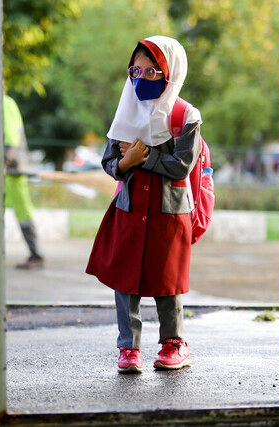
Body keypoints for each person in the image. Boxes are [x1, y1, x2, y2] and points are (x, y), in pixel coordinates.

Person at [86, 36, 202, 373]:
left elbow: (181, 166)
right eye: (135, 70)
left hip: (170, 212)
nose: (141, 78)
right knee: (126, 280)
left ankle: (174, 344)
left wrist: (144, 156)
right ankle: (129, 348)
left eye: (152, 72)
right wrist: (125, 164)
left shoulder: (186, 116)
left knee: (168, 281)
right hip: (130, 207)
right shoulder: (127, 109)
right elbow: (109, 162)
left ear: (170, 74)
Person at [3, 93, 45, 269]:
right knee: (20, 211)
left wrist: (3, 163)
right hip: (13, 168)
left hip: (11, 169)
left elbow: (11, 138)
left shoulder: (2, 103)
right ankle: (35, 254)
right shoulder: (8, 101)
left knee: (19, 212)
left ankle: (36, 254)